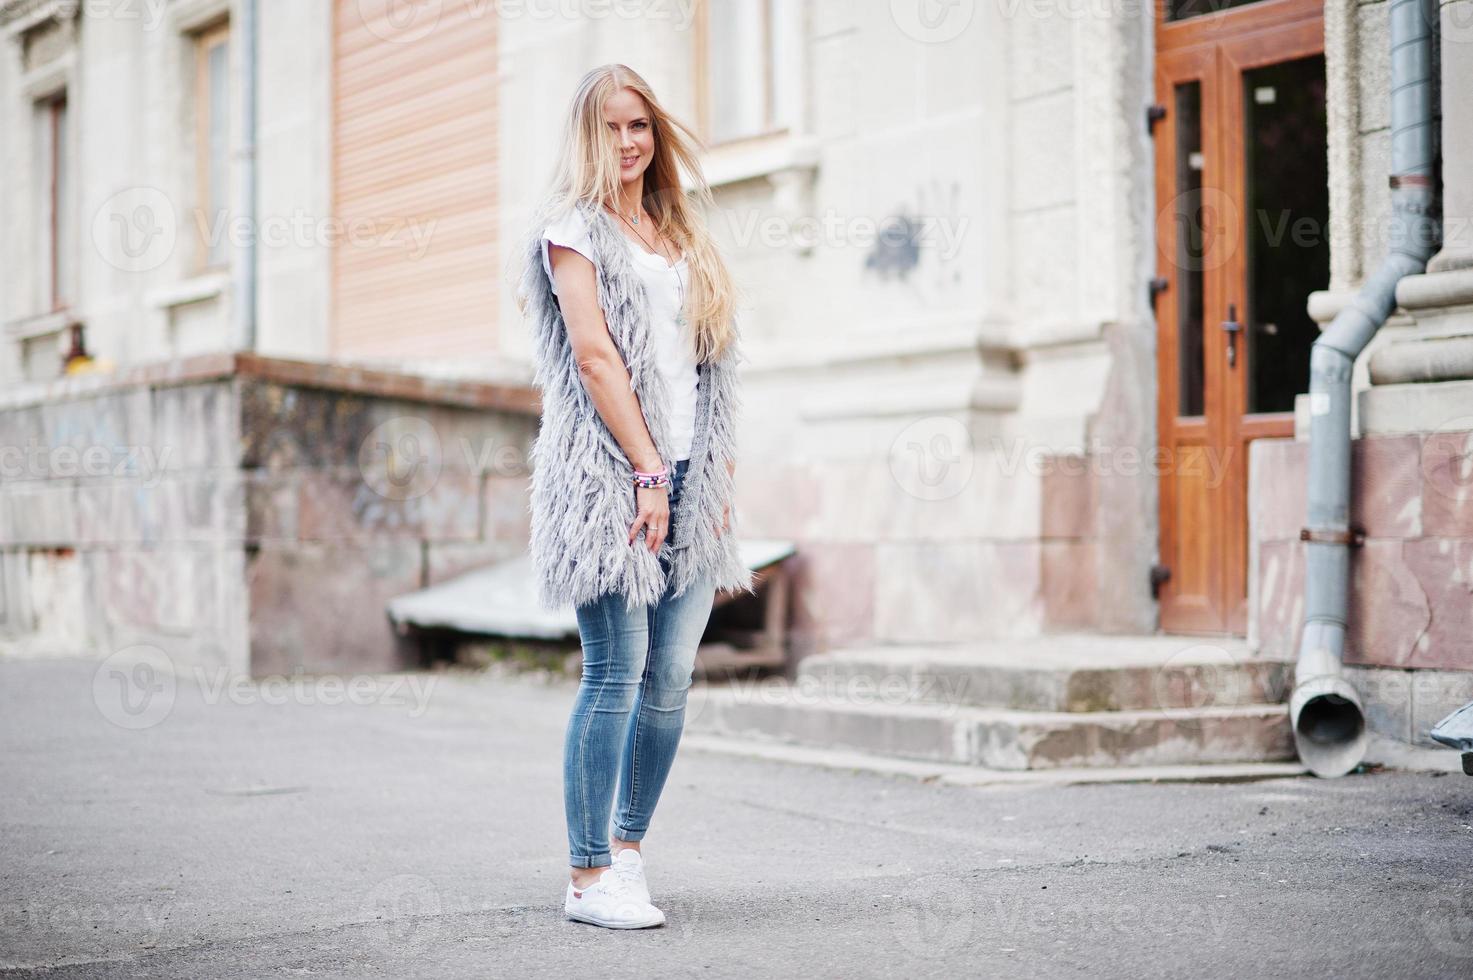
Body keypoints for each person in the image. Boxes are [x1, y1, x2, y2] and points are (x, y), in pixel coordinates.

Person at [511, 64, 757, 929]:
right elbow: (594, 358)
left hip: (693, 473)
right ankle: (584, 882)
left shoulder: (674, 233)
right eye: (613, 127)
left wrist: (709, 476)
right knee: (614, 673)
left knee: (672, 679)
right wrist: (649, 471)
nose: (628, 142)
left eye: (641, 126)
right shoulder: (571, 230)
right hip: (610, 476)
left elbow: (706, 366)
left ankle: (625, 855)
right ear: (588, 134)